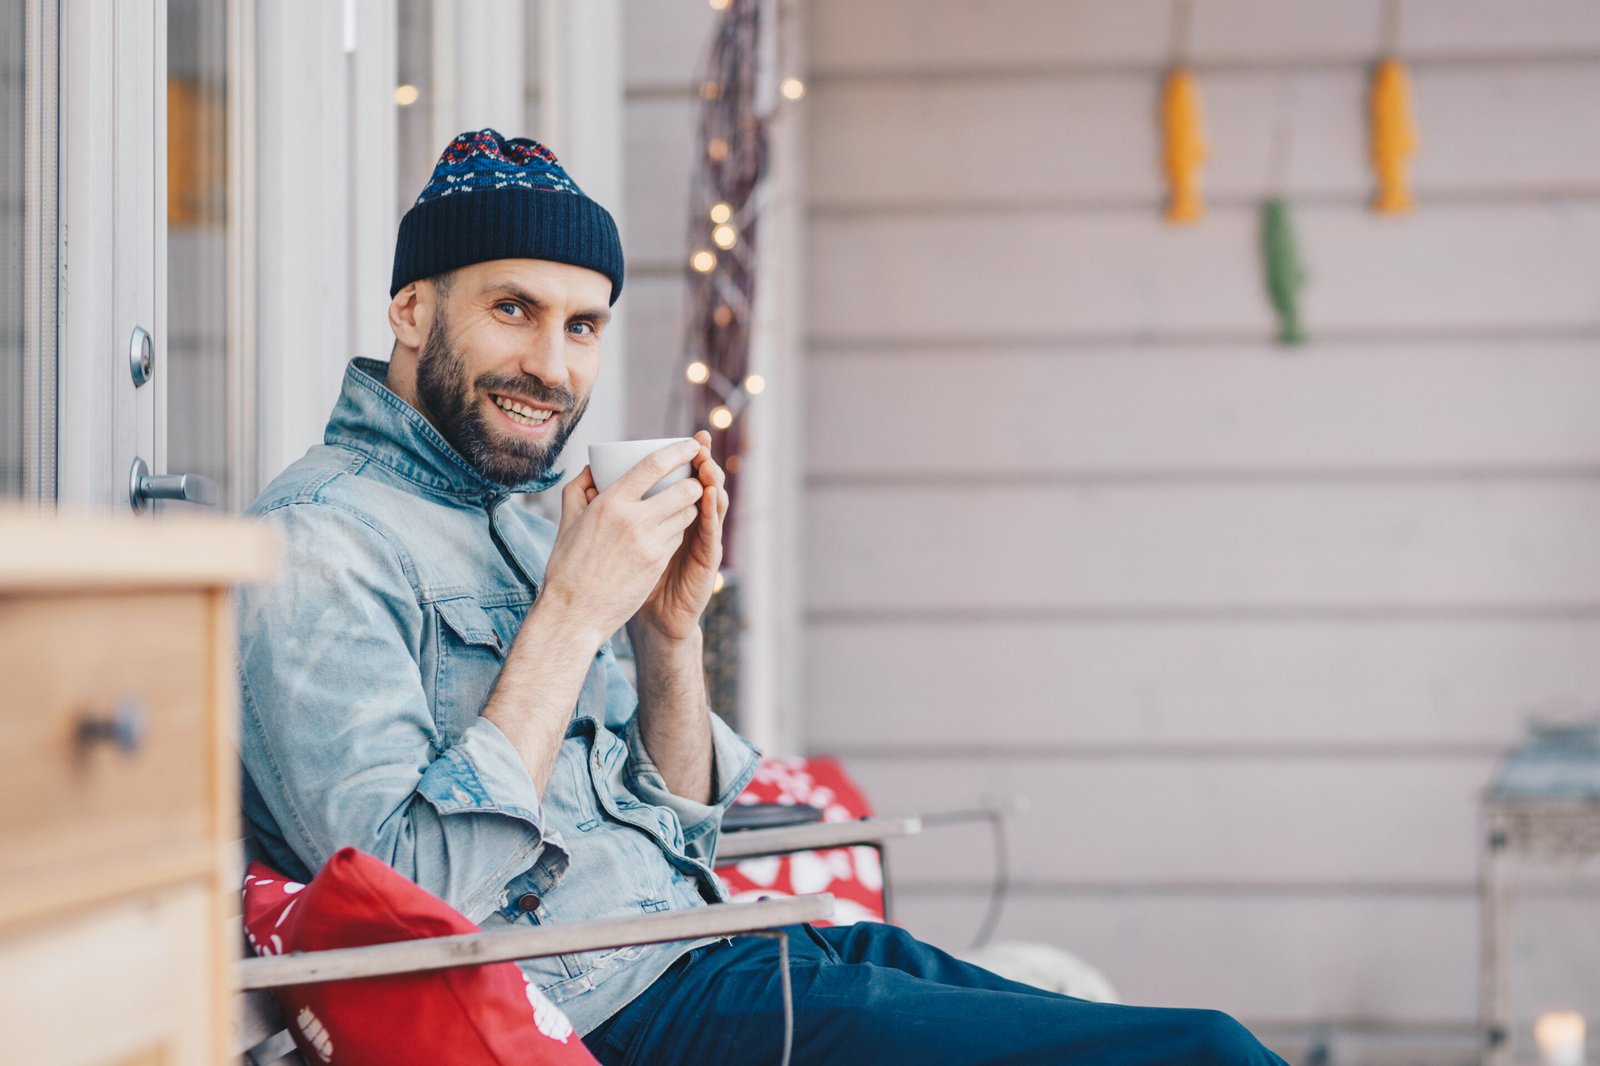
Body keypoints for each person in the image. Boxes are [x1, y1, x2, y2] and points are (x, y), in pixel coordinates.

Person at [237, 128, 1288, 1066]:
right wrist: (568, 615)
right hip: (620, 1000)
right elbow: (408, 909)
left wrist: (666, 632)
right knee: (1201, 1053)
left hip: (720, 944)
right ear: (413, 309)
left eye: (582, 325)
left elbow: (678, 827)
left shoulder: (525, 513)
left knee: (1202, 1042)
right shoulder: (322, 545)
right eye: (514, 310)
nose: (552, 365)